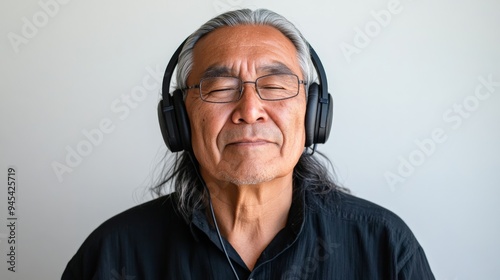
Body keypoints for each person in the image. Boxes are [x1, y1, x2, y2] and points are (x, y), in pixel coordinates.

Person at [62, 8, 435, 279]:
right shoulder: (113, 254)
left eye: (275, 85)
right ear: (179, 118)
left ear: (312, 114)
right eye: (221, 88)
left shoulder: (385, 247)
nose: (251, 110)